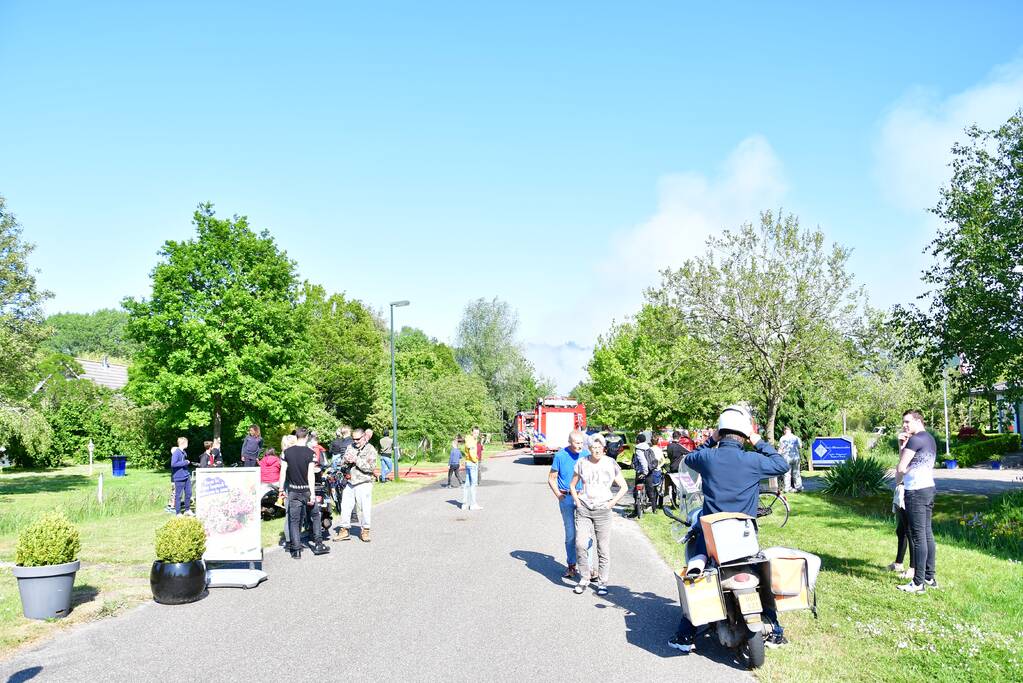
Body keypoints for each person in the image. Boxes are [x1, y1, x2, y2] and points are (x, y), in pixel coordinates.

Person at [668, 405, 791, 653]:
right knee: (760, 575)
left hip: (712, 534)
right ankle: (775, 630)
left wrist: (710, 439)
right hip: (745, 536)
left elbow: (688, 459)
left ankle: (685, 635)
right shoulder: (754, 460)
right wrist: (758, 441)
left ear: (720, 432)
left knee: (698, 574)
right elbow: (781, 464)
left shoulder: (708, 457)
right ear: (744, 436)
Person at [569, 433, 628, 596]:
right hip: (584, 509)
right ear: (589, 448)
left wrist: (612, 503)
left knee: (603, 548)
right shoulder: (582, 463)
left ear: (604, 448)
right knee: (580, 544)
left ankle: (603, 582)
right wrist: (577, 500)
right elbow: (572, 485)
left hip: (603, 510)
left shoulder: (611, 463)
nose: (596, 450)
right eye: (593, 447)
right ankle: (584, 577)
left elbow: (623, 487)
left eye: (599, 447)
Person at [895, 410, 938, 593]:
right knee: (927, 534)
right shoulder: (929, 438)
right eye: (903, 422)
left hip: (915, 492)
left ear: (918, 421)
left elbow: (901, 467)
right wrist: (903, 446)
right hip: (929, 488)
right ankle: (929, 577)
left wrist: (901, 447)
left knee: (918, 537)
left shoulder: (914, 440)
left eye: (907, 422)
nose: (904, 425)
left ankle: (918, 582)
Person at [547, 430, 593, 579]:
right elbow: (551, 478)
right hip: (566, 498)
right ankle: (571, 565)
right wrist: (559, 495)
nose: (580, 446)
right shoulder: (560, 456)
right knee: (571, 534)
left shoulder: (586, 454)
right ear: (570, 442)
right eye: (577, 443)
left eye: (581, 443)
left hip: (583, 497)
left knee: (586, 534)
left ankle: (588, 567)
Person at [279, 428, 328, 559]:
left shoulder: (286, 453)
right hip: (306, 490)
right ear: (306, 437)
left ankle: (296, 550)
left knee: (294, 521)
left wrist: (281, 490)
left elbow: (282, 472)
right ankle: (318, 544)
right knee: (315, 517)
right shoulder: (310, 453)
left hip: (293, 490)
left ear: (296, 436)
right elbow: (310, 475)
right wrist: (312, 494)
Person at [335, 428, 377, 542]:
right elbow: (342, 462)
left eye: (358, 439)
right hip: (350, 482)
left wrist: (356, 460)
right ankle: (344, 530)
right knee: (345, 507)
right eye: (353, 439)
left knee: (365, 508)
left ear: (364, 437)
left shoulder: (370, 449)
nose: (355, 441)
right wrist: (346, 461)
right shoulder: (350, 447)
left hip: (363, 482)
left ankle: (365, 531)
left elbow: (371, 468)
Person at [888, 479, 914, 579]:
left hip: (909, 490)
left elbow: (902, 469)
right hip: (903, 488)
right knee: (901, 531)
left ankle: (913, 569)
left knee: (910, 532)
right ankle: (898, 564)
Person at [631, 433, 661, 513]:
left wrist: (644, 472)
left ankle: (636, 510)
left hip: (642, 472)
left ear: (638, 440)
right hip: (650, 471)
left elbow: (643, 461)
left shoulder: (639, 449)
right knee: (650, 491)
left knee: (636, 490)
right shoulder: (648, 448)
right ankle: (654, 509)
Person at [170, 437, 193, 515]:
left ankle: (187, 510)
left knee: (189, 493)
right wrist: (185, 462)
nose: (187, 444)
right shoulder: (176, 452)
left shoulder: (183, 452)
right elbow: (173, 464)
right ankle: (178, 513)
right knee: (179, 495)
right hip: (179, 477)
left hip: (186, 476)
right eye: (187, 443)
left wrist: (185, 462)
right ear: (184, 443)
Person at [778, 426, 803, 493]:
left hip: (786, 457)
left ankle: (787, 488)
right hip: (795, 457)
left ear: (784, 431)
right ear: (790, 430)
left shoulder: (782, 438)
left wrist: (778, 457)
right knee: (796, 472)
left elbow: (780, 449)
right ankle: (798, 487)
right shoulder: (796, 438)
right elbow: (800, 446)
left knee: (787, 473)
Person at [461, 430, 482, 510]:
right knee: (473, 484)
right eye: (475, 433)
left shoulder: (467, 439)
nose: (476, 434)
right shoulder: (472, 441)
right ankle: (473, 504)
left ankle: (464, 504)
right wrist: (475, 460)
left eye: (477, 433)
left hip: (467, 462)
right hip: (472, 463)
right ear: (472, 432)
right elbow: (471, 452)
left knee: (467, 483)